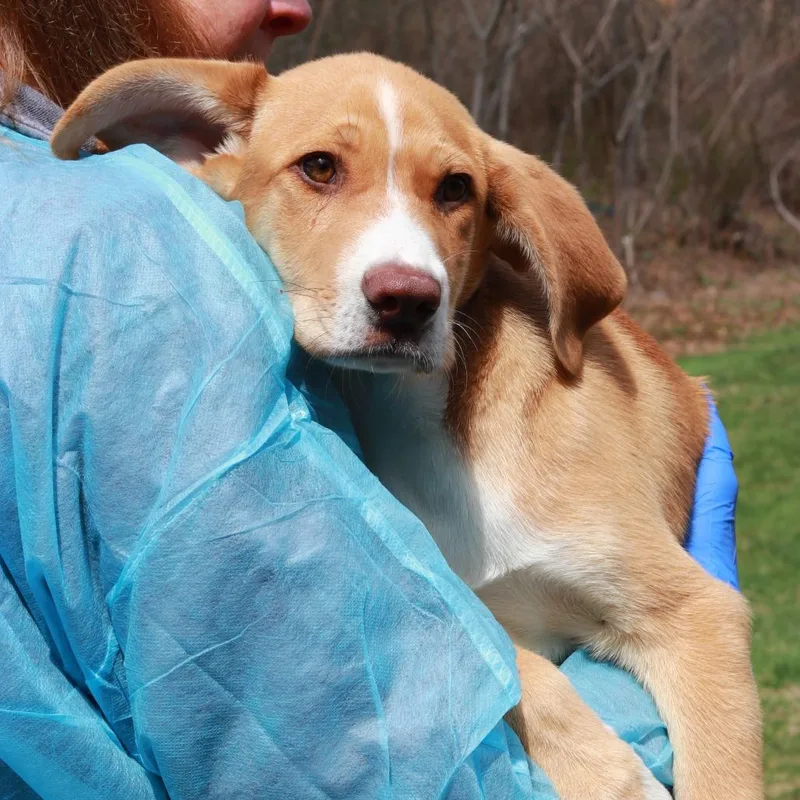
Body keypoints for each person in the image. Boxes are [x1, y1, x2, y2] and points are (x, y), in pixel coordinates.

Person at [0, 2, 740, 797]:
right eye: (322, 168)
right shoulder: (115, 260)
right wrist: (572, 717)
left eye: (450, 191)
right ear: (206, 146)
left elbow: (682, 622)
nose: (405, 274)